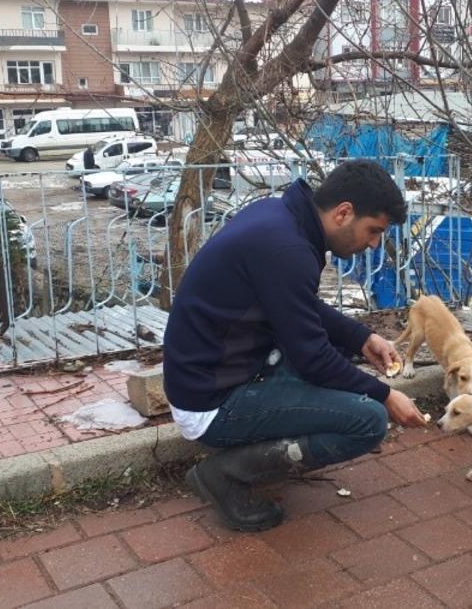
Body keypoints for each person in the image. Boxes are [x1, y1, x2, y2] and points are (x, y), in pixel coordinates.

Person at [163, 159, 426, 532]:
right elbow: (312, 357)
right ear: (343, 213)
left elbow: (297, 305)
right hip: (211, 402)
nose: (373, 244)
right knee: (367, 420)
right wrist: (385, 395)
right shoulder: (288, 249)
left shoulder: (279, 216)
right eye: (373, 231)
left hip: (218, 372)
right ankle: (226, 474)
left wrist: (361, 337)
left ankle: (253, 455)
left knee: (335, 369)